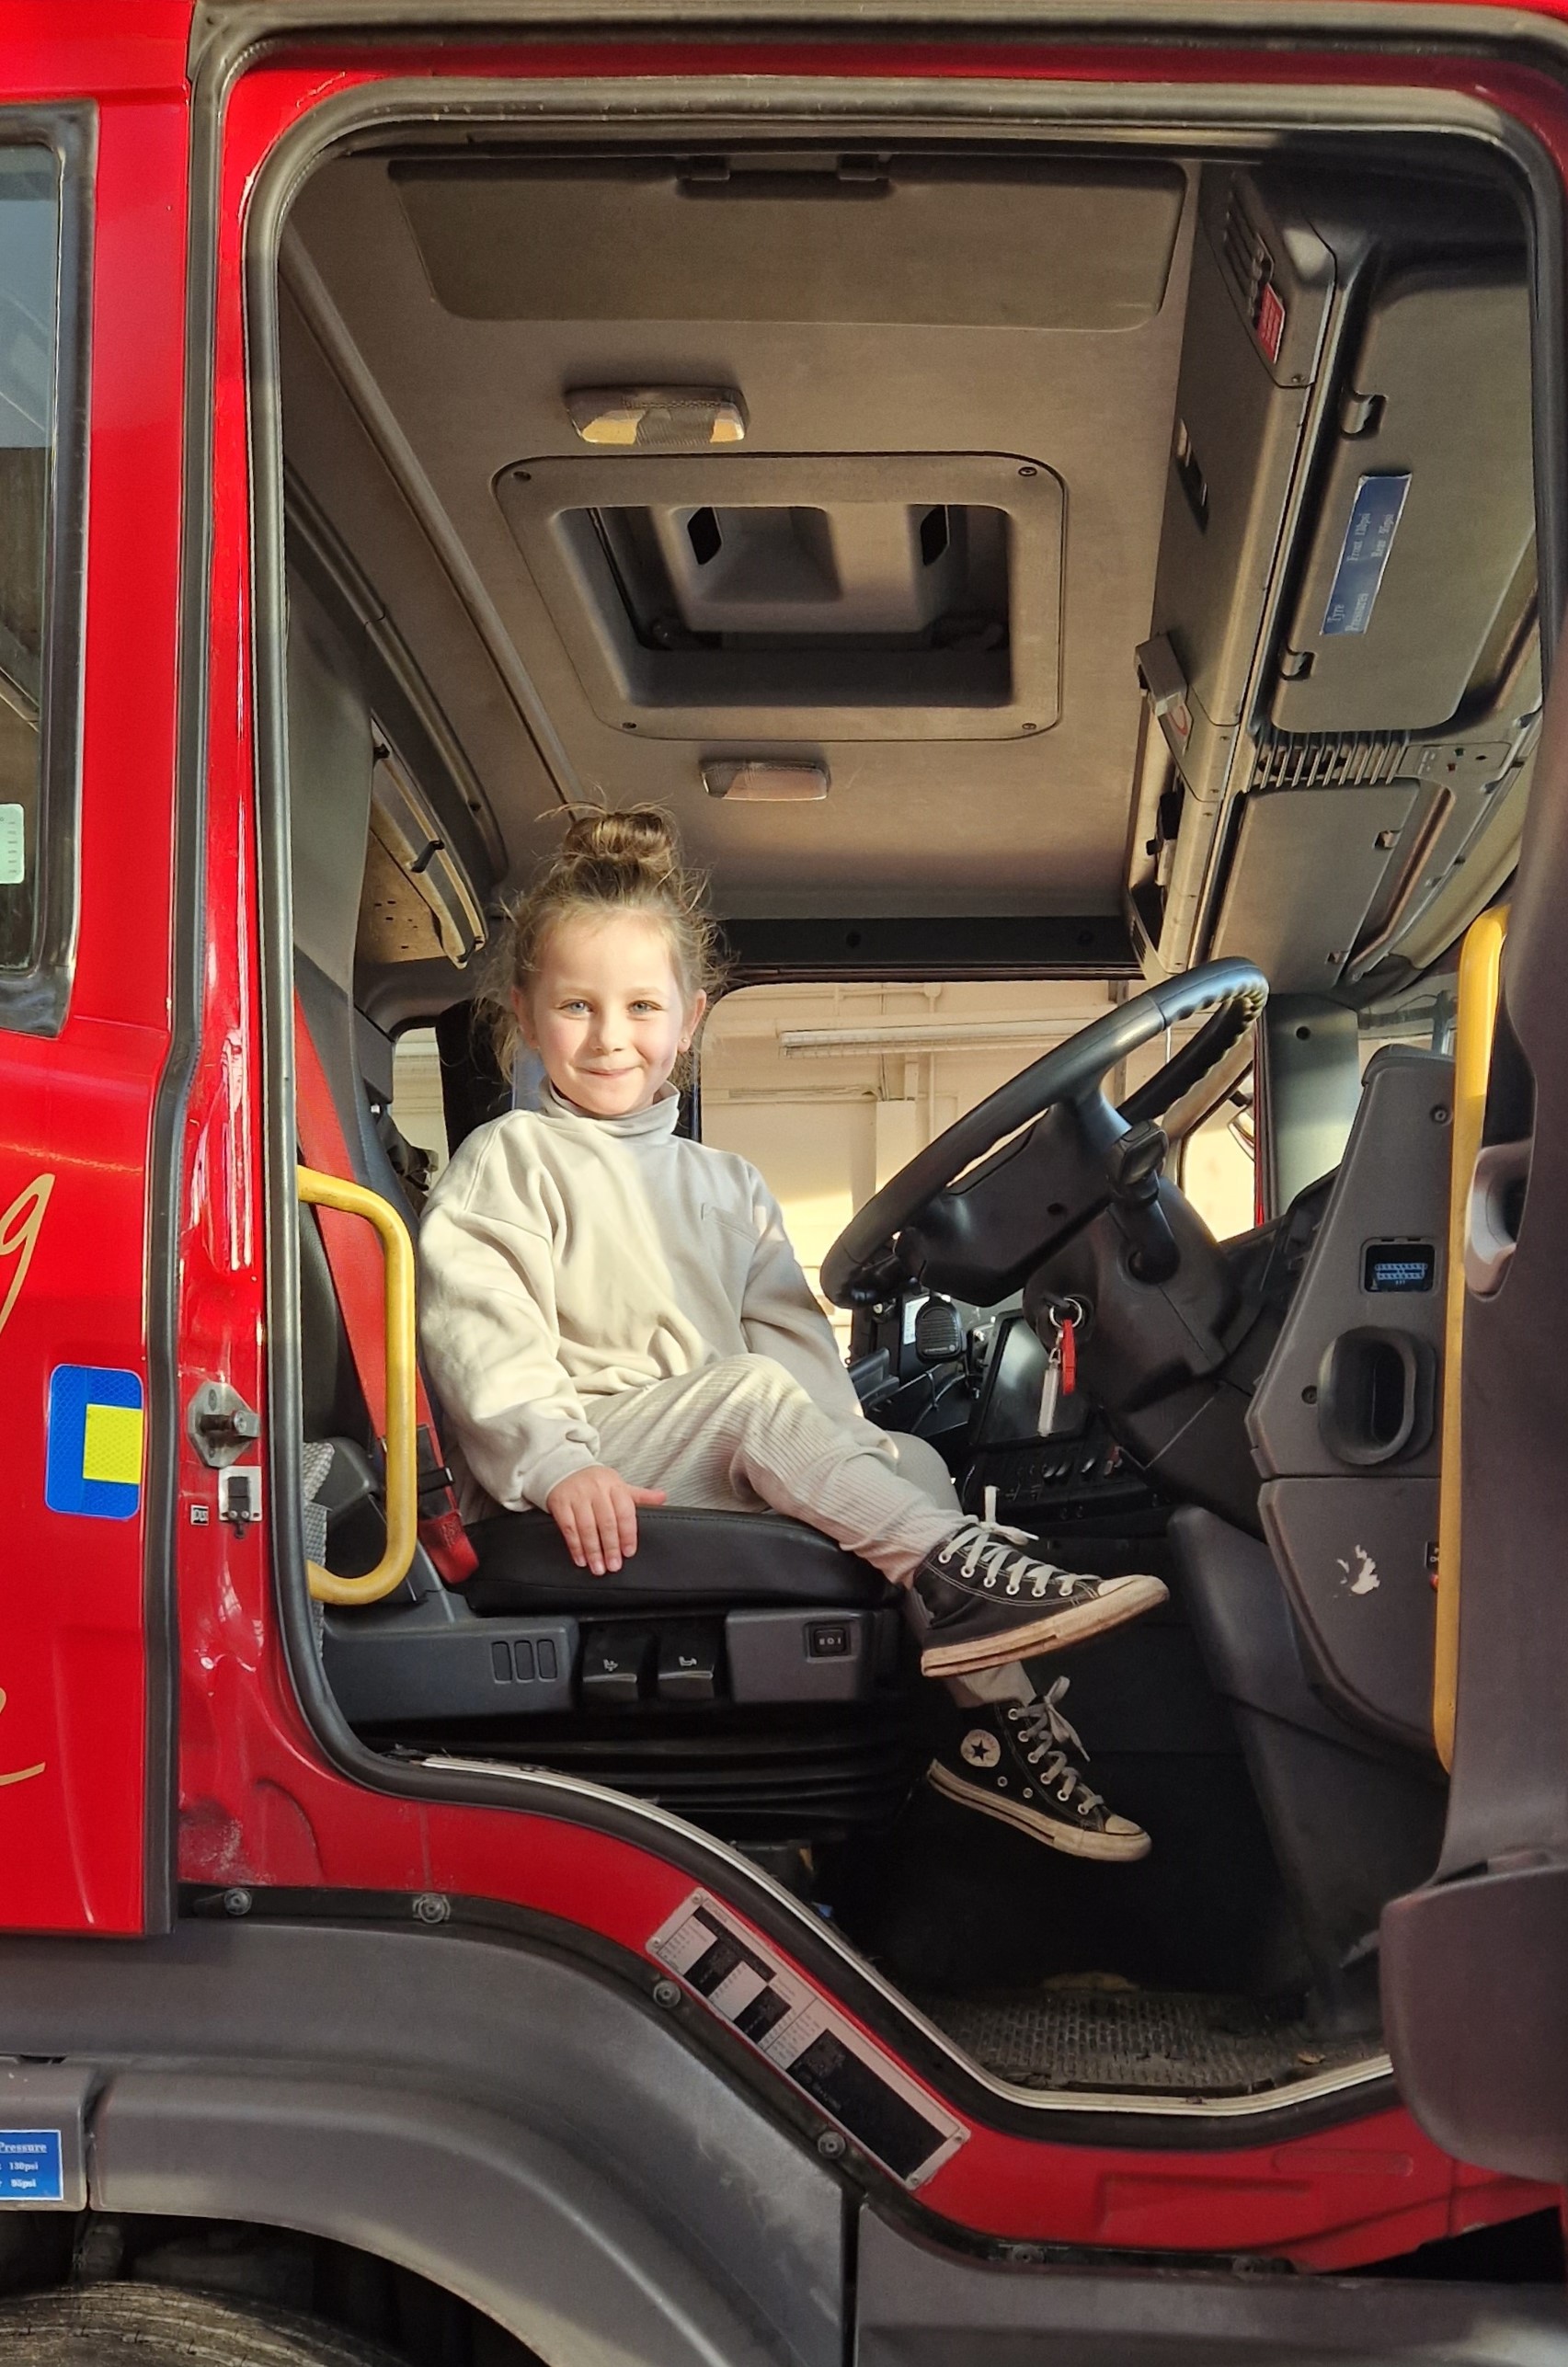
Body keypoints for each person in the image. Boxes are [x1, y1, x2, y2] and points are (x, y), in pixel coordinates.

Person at [418, 806, 1166, 1859]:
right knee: (749, 1399)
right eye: (576, 1006)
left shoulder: (726, 1182)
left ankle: (992, 1731)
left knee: (905, 1455)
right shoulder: (508, 1159)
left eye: (640, 1006)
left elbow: (796, 1355)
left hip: (701, 1450)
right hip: (583, 1464)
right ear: (525, 1014)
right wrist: (551, 1463)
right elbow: (477, 1336)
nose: (609, 1036)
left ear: (690, 1016)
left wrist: (858, 1455)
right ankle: (958, 1575)